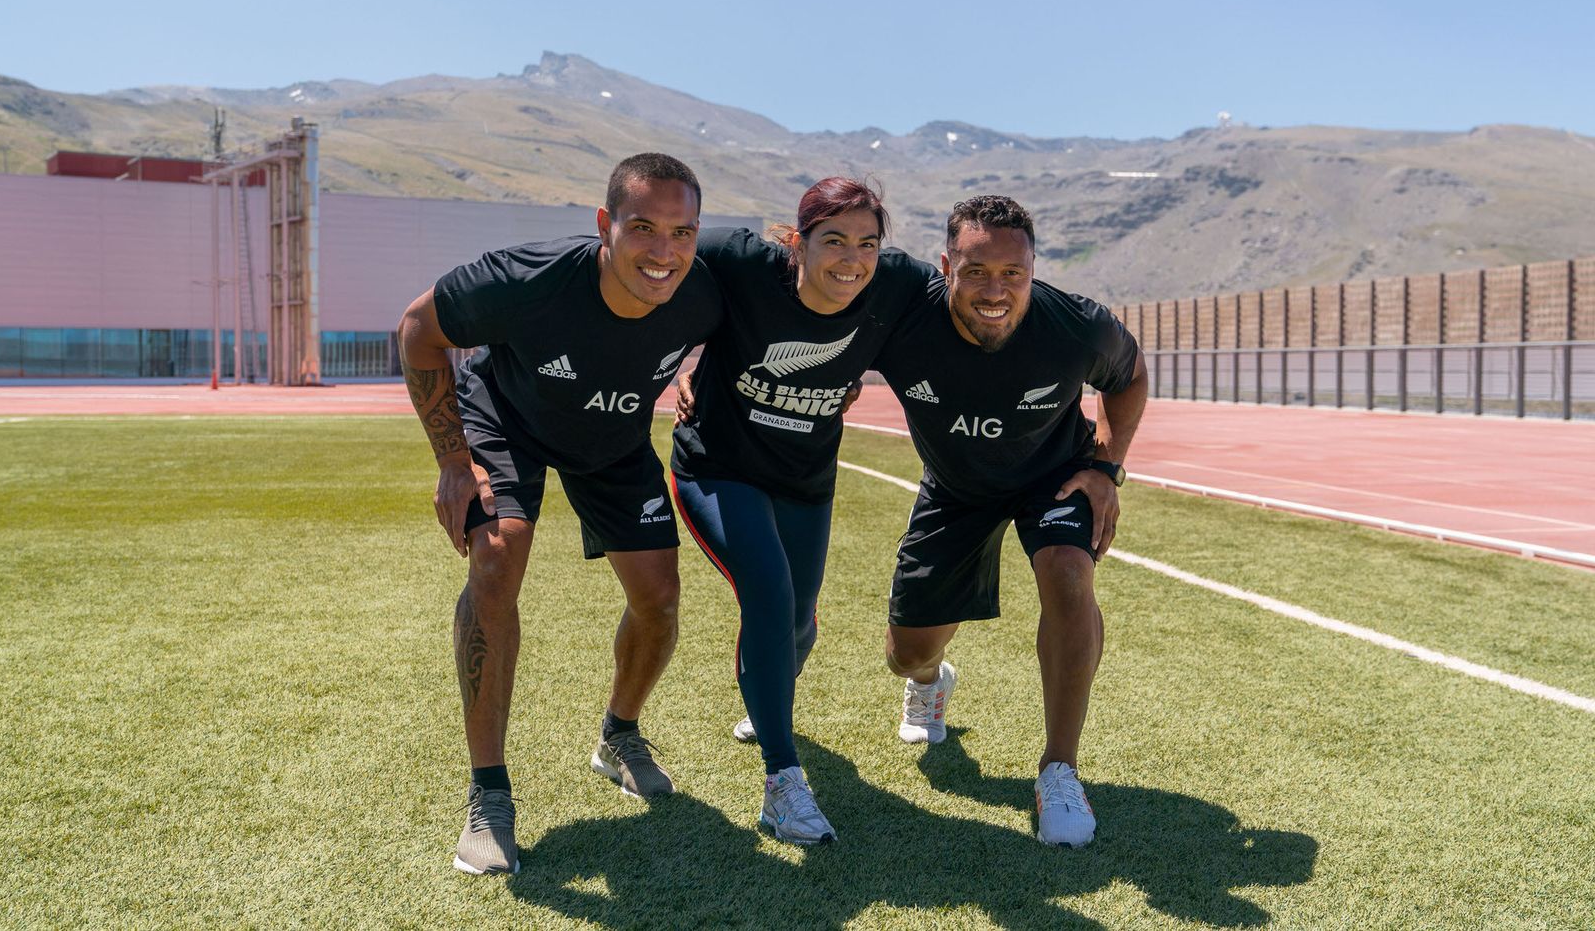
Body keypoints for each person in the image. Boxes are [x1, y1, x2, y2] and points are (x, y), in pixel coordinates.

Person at [397, 153, 722, 875]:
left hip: (613, 442)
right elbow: (419, 328)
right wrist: (454, 461)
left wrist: (706, 376)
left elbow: (770, 319)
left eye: (682, 231)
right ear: (606, 225)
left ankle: (620, 735)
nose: (663, 252)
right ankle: (489, 794)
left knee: (660, 600)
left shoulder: (704, 292)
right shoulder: (529, 279)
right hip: (507, 421)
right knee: (496, 556)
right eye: (643, 227)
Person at [872, 194, 1148, 848]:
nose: (994, 290)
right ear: (946, 267)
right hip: (956, 488)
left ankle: (1059, 769)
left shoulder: (1075, 328)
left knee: (1069, 576)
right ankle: (929, 683)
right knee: (906, 651)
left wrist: (1107, 468)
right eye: (975, 272)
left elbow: (1129, 375)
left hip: (1051, 477)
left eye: (1012, 274)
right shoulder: (904, 319)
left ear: (1033, 268)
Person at [670, 177, 934, 844]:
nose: (851, 258)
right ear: (798, 241)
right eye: (834, 240)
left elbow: (974, 300)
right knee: (767, 587)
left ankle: (770, 701)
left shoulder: (897, 283)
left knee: (798, 618)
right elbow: (651, 268)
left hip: (806, 479)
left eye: (867, 243)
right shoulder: (739, 261)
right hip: (717, 466)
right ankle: (782, 783)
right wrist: (678, 361)